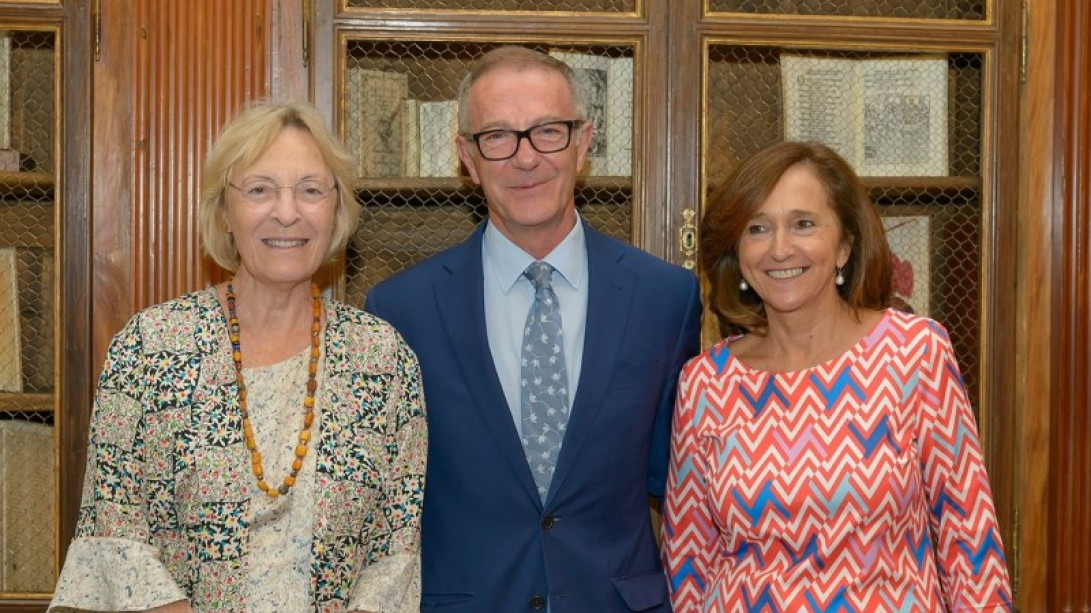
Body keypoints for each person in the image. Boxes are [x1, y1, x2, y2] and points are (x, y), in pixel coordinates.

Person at [49, 101, 426, 613]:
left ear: (336, 211)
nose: (287, 212)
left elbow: (395, 550)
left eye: (311, 190)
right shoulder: (151, 346)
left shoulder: (383, 359)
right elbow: (114, 530)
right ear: (224, 212)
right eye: (259, 189)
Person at [365, 45, 702, 612]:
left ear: (584, 142)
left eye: (548, 131)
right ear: (466, 157)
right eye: (498, 136)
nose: (526, 159)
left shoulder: (664, 298)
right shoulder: (401, 310)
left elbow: (683, 486)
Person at [661, 141, 1013, 612]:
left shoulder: (915, 352)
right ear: (738, 251)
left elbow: (970, 540)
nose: (780, 248)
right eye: (758, 228)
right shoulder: (705, 382)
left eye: (803, 224)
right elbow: (688, 560)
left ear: (844, 245)